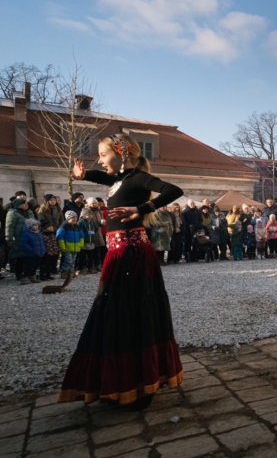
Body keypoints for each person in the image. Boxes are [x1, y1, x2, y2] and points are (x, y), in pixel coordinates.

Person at [59, 134, 184, 409]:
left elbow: (174, 190)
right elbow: (105, 179)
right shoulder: (119, 180)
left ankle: (139, 385)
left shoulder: (138, 178)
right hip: (119, 254)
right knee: (117, 314)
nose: (100, 161)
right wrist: (83, 175)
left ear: (122, 152)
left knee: (131, 314)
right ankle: (123, 383)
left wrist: (142, 208)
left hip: (133, 254)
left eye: (103, 155)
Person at [5, 198, 36, 280]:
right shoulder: (12, 213)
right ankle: (19, 274)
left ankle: (28, 274)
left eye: (26, 203)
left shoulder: (29, 212)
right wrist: (9, 238)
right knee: (20, 257)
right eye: (24, 203)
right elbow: (9, 227)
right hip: (19, 237)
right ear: (18, 205)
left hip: (30, 237)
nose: (26, 205)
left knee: (30, 257)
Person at [57, 211, 83, 279]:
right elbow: (60, 236)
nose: (74, 219)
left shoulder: (77, 226)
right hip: (67, 247)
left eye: (75, 217)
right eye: (72, 218)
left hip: (76, 247)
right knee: (68, 260)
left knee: (73, 261)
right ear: (68, 218)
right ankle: (64, 271)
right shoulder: (64, 226)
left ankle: (71, 272)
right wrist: (62, 246)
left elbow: (81, 236)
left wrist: (80, 244)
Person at [19, 219, 45, 285]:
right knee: (29, 266)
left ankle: (33, 276)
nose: (36, 226)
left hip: (38, 253)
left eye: (37, 225)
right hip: (31, 254)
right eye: (34, 225)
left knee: (36, 265)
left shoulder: (39, 233)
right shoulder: (27, 233)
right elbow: (23, 243)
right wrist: (30, 249)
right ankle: (25, 277)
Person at [76, 209, 98, 275]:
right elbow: (77, 230)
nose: (90, 216)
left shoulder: (93, 222)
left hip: (91, 242)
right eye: (88, 214)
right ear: (84, 215)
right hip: (83, 241)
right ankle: (80, 268)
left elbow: (95, 229)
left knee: (91, 257)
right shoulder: (80, 222)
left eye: (91, 214)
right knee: (81, 257)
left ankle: (90, 267)